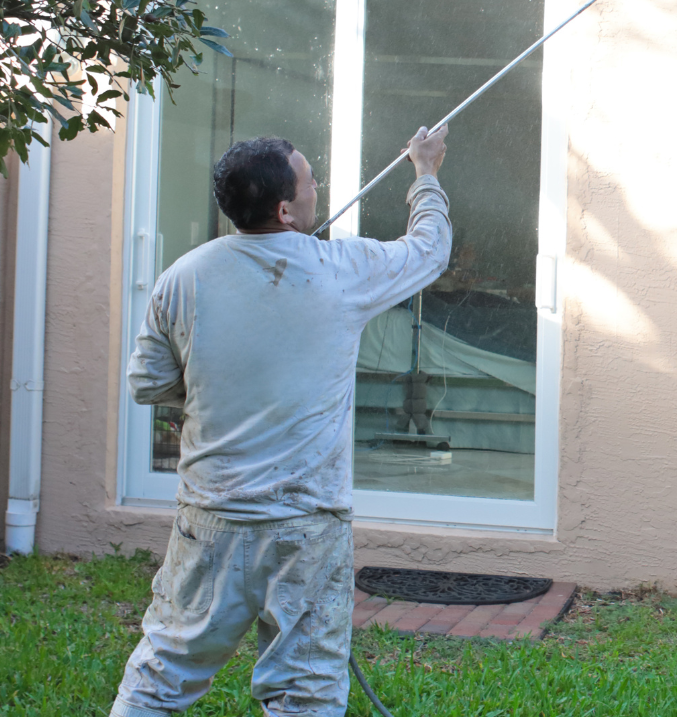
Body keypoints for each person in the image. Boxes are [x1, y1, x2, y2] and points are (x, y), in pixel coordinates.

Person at [109, 125, 453, 717]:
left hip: (209, 520)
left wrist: (224, 390)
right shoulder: (340, 268)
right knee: (307, 691)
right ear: (287, 209)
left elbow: (148, 384)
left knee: (163, 672)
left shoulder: (183, 277)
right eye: (309, 180)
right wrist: (426, 174)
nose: (318, 186)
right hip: (306, 529)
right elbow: (429, 251)